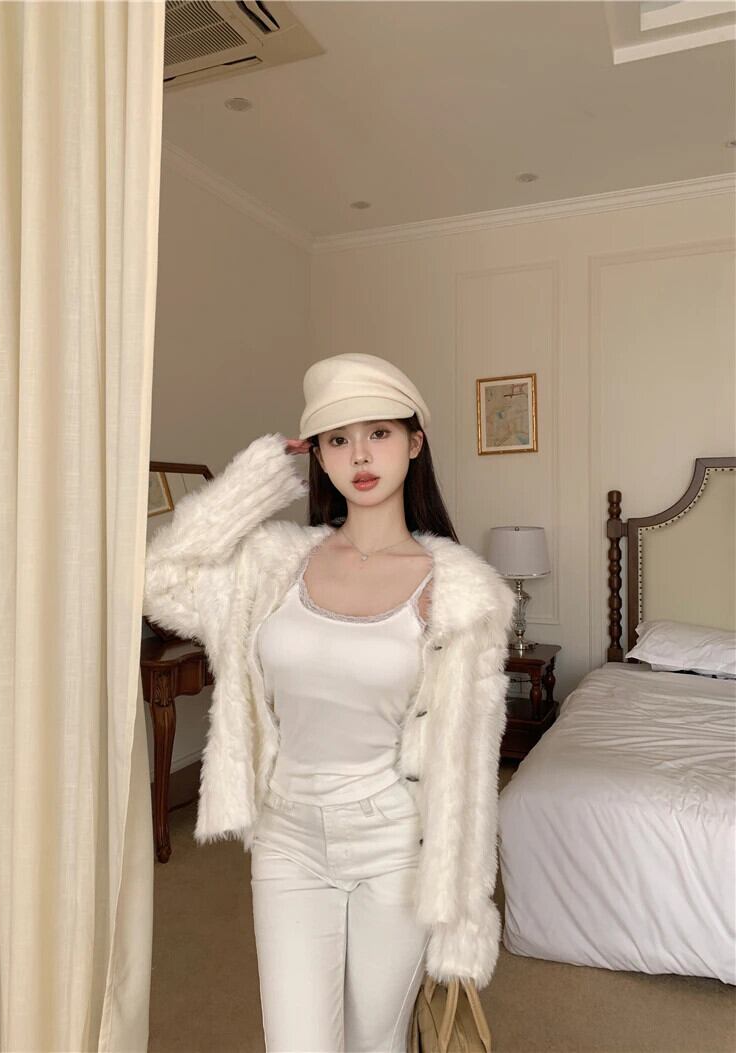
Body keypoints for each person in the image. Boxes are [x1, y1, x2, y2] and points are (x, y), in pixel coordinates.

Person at [143, 353, 516, 1053]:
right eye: (338, 439)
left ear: (415, 441)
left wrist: (464, 921)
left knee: (376, 1042)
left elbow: (468, 775)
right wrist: (254, 480)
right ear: (316, 453)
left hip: (395, 846)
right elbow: (157, 580)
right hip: (287, 836)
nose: (360, 456)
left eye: (379, 432)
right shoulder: (273, 564)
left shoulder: (463, 594)